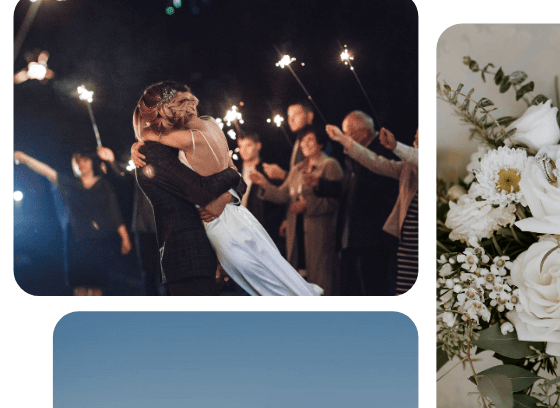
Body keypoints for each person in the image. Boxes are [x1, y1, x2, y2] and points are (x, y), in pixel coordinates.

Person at [131, 81, 322, 296]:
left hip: (225, 223)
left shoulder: (189, 138)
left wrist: (141, 136)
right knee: (269, 274)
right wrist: (230, 184)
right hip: (222, 229)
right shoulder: (208, 125)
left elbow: (218, 183)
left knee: (266, 279)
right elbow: (228, 176)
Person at [14, 148, 132, 295]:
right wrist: (25, 158)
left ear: (91, 162)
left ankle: (94, 317)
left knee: (97, 286)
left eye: (84, 160)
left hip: (100, 241)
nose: (80, 164)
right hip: (76, 241)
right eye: (77, 161)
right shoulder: (70, 183)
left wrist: (125, 237)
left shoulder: (104, 185)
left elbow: (114, 212)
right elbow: (47, 171)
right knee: (80, 286)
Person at [327, 125, 419, 295]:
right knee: (405, 289)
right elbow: (377, 162)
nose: (415, 142)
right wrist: (344, 139)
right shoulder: (407, 167)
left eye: (419, 139)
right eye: (415, 138)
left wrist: (396, 146)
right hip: (407, 242)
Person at [257, 125, 342, 294]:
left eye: (310, 140)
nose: (305, 144)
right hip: (296, 234)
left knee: (322, 283)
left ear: (320, 143)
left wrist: (307, 205)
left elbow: (335, 201)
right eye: (302, 141)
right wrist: (264, 184)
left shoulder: (329, 165)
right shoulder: (297, 169)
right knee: (299, 281)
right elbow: (283, 195)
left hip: (320, 234)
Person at [235, 131, 287, 259]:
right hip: (240, 227)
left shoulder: (268, 170)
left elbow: (283, 196)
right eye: (241, 146)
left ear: (258, 146)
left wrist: (285, 219)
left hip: (265, 228)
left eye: (248, 145)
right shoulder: (235, 171)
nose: (243, 150)